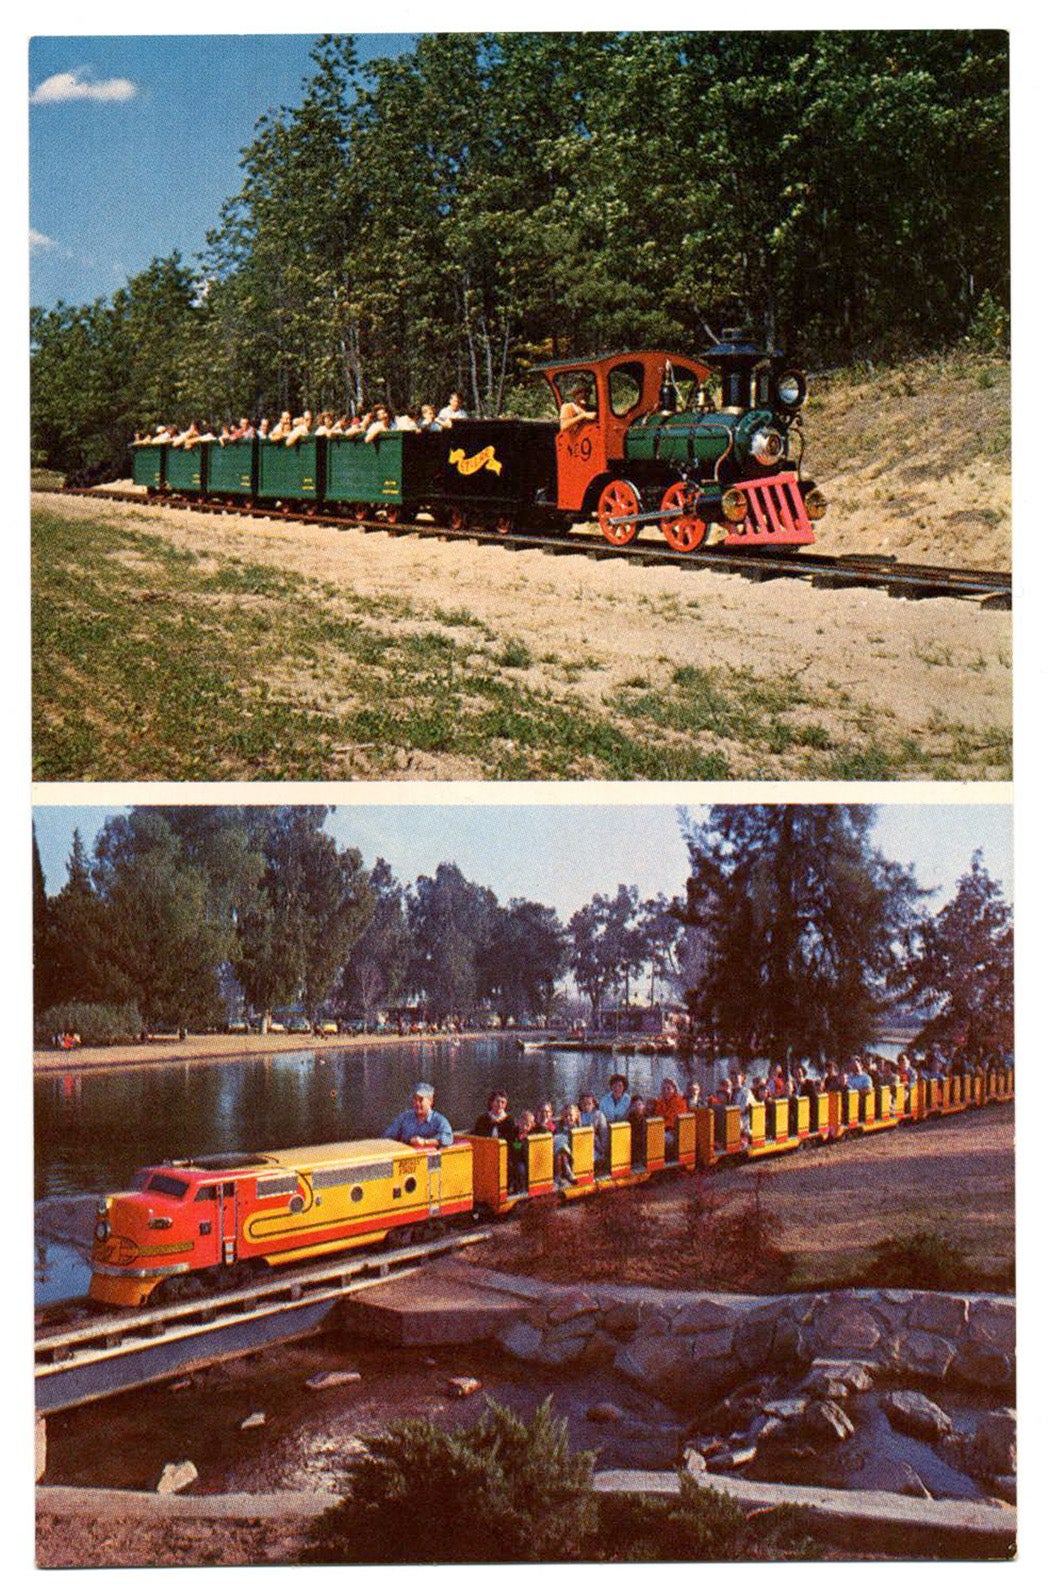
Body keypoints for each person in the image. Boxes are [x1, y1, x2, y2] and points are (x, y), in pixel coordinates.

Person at [383, 1082, 453, 1148]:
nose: (417, 1103)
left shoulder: (439, 1120)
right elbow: (388, 1136)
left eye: (420, 1100)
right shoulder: (404, 1117)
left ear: (431, 1101)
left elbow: (448, 1138)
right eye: (415, 1099)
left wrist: (425, 1142)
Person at [578, 1091, 609, 1166]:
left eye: (589, 1104)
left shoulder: (598, 1115)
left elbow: (604, 1133)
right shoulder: (579, 1115)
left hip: (595, 1144)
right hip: (581, 1142)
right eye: (584, 1104)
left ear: (594, 1104)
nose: (586, 1106)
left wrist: (603, 1149)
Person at [553, 1104, 579, 1185]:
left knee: (562, 1147)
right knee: (561, 1152)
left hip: (573, 1153)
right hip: (560, 1154)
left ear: (576, 1116)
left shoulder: (577, 1128)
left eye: (570, 1115)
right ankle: (563, 1174)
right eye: (565, 1116)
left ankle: (560, 1175)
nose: (568, 1118)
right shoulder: (559, 1126)